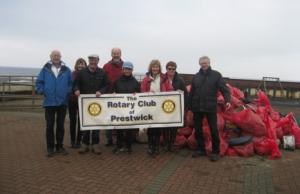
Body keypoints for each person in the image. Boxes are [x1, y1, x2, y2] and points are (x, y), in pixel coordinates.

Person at [188, 56, 231, 161]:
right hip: (197, 107)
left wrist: (227, 100)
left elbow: (224, 89)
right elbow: (192, 92)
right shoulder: (196, 76)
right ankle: (200, 149)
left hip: (210, 107)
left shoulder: (216, 75)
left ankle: (216, 151)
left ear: (209, 63)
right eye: (202, 63)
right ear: (199, 64)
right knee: (198, 129)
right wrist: (189, 105)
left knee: (213, 129)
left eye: (206, 62)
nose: (204, 64)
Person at [36, 50, 72, 157]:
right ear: (51, 57)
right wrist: (42, 91)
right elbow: (39, 82)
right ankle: (50, 147)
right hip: (49, 102)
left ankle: (59, 146)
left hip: (62, 102)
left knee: (60, 126)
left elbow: (71, 83)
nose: (56, 57)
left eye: (58, 55)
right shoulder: (45, 69)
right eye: (54, 55)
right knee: (50, 126)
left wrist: (67, 92)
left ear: (61, 57)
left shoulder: (67, 70)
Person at [74, 54, 109, 155]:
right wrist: (76, 90)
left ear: (98, 61)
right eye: (91, 60)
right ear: (89, 61)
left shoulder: (102, 72)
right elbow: (76, 84)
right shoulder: (81, 73)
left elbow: (107, 84)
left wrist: (101, 91)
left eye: (95, 60)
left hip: (98, 103)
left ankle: (95, 144)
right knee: (85, 123)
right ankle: (84, 144)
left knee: (96, 123)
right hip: (85, 102)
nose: (93, 62)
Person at [112, 61, 140, 154]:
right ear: (122, 69)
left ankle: (128, 146)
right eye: (125, 69)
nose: (127, 71)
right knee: (119, 129)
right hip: (120, 109)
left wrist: (137, 95)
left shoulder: (135, 82)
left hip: (130, 110)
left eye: (129, 69)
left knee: (129, 129)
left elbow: (139, 95)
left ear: (132, 70)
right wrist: (114, 94)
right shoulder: (117, 81)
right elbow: (113, 92)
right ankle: (119, 145)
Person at [141, 59, 166, 156]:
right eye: (153, 66)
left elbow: (169, 90)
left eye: (157, 67)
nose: (155, 68)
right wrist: (147, 93)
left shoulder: (164, 78)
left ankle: (156, 146)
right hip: (149, 107)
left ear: (159, 68)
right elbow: (142, 91)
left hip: (160, 107)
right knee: (150, 128)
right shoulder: (146, 79)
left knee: (158, 128)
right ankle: (150, 146)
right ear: (150, 68)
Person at [161, 61, 188, 152]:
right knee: (165, 126)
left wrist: (184, 107)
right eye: (169, 69)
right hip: (163, 107)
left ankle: (171, 144)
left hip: (175, 108)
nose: (171, 70)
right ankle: (165, 144)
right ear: (166, 69)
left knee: (173, 127)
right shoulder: (162, 79)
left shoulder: (180, 80)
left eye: (173, 69)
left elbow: (185, 94)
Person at [103, 48, 123, 146]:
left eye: (117, 53)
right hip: (109, 95)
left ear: (120, 54)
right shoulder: (106, 66)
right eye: (114, 53)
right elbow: (103, 80)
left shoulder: (125, 66)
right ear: (111, 54)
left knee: (120, 118)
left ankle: (119, 138)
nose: (116, 55)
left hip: (121, 97)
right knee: (109, 118)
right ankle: (109, 139)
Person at [68, 58, 87, 148]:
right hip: (72, 100)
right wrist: (73, 91)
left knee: (81, 121)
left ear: (85, 65)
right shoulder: (72, 74)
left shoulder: (86, 74)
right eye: (79, 64)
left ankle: (79, 140)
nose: (80, 66)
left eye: (82, 64)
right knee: (72, 121)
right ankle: (72, 140)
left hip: (82, 100)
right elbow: (69, 85)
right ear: (76, 65)